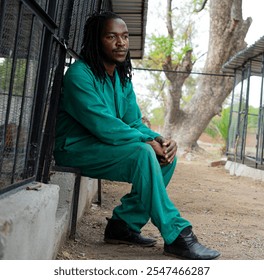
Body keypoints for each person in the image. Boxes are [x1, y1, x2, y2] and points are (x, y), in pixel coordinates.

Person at [54, 11, 220, 260]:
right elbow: (103, 125)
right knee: (143, 152)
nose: (121, 43)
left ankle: (124, 226)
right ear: (96, 40)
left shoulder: (121, 78)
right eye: (111, 36)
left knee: (164, 155)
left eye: (124, 36)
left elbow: (132, 121)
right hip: (75, 148)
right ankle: (177, 234)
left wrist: (159, 139)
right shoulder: (80, 75)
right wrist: (145, 141)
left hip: (104, 146)